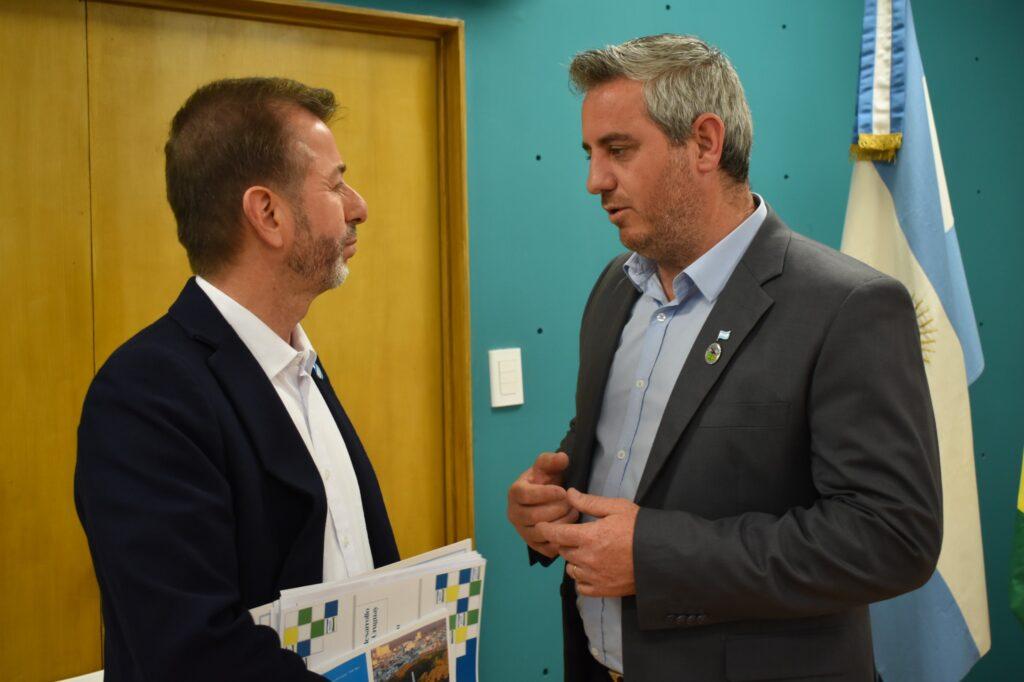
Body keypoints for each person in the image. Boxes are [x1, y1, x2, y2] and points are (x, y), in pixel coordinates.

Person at [507, 34, 942, 682]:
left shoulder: (847, 307)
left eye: (618, 150)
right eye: (590, 154)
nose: (595, 180)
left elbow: (892, 539)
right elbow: (617, 455)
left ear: (706, 143)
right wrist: (553, 508)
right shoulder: (614, 289)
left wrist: (655, 555)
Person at [75, 77, 399, 681]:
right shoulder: (144, 395)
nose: (358, 207)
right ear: (268, 214)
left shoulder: (299, 367)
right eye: (335, 184)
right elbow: (192, 655)